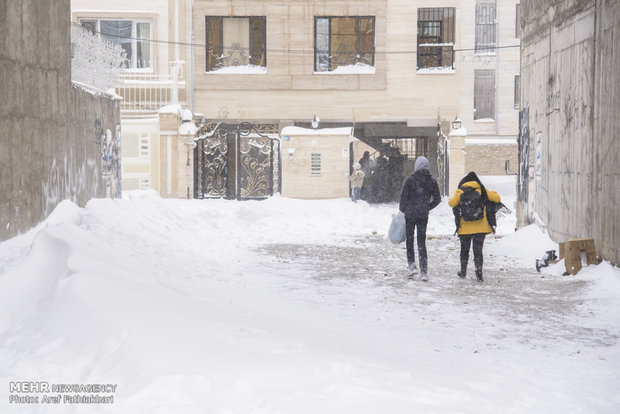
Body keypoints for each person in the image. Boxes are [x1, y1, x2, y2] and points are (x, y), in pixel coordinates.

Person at [448, 171, 501, 282]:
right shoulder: (481, 189)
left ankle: (463, 271)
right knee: (478, 251)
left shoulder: (461, 190)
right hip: (480, 226)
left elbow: (452, 203)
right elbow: (496, 198)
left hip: (465, 227)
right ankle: (479, 273)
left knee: (464, 250)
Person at [398, 156, 441, 281]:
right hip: (423, 215)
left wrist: (404, 209)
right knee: (422, 242)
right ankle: (424, 271)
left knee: (410, 240)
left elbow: (403, 197)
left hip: (410, 215)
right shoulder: (431, 181)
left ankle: (412, 266)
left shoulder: (410, 180)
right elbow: (437, 199)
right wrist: (427, 207)